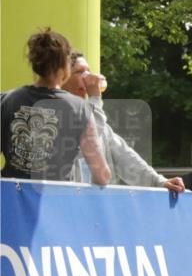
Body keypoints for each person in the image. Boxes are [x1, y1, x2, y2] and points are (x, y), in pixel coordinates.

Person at [62, 52, 184, 192]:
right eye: (80, 72)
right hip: (69, 206)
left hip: (96, 208)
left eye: (89, 71)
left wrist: (160, 182)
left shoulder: (102, 129)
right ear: (64, 77)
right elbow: (81, 144)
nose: (89, 77)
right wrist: (95, 99)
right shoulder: (55, 117)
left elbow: (127, 158)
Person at [1, 29, 110, 185]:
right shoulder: (79, 108)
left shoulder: (7, 100)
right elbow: (102, 174)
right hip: (57, 203)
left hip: (11, 202)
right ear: (65, 64)